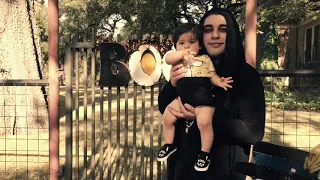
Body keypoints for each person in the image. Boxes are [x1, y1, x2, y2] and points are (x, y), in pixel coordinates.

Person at [158, 8, 266, 180]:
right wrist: (172, 85)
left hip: (222, 172)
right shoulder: (187, 67)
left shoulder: (245, 75)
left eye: (222, 29)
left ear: (231, 34)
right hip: (182, 168)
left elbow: (253, 132)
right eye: (208, 30)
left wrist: (203, 118)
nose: (215, 35)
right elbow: (164, 107)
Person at [157, 23, 233, 172]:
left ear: (199, 45)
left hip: (203, 102)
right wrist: (181, 54)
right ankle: (169, 144)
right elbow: (168, 59)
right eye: (181, 43)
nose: (187, 47)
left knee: (204, 123)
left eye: (192, 42)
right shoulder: (178, 60)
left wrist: (219, 81)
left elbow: (212, 75)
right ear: (176, 46)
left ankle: (205, 153)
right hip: (182, 100)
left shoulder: (205, 59)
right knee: (167, 116)